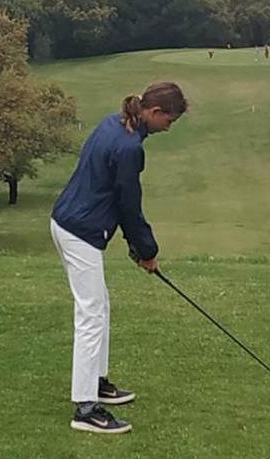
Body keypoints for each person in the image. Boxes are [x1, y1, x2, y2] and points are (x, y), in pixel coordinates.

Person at [50, 82, 188, 434]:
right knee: (90, 315)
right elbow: (129, 206)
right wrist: (147, 252)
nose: (168, 128)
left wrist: (137, 248)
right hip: (80, 232)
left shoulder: (114, 123)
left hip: (68, 222)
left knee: (100, 306)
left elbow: (117, 196)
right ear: (154, 113)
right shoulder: (129, 147)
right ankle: (85, 409)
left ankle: (98, 383)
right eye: (168, 121)